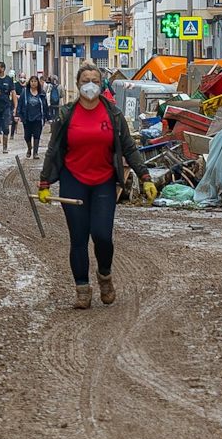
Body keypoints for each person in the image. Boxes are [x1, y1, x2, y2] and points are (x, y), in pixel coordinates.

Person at [37, 62, 155, 310]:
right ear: (78, 85)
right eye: (84, 80)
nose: (89, 84)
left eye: (94, 80)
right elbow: (54, 149)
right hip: (73, 181)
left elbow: (130, 148)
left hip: (103, 182)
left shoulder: (113, 114)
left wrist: (145, 177)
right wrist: (45, 181)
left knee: (102, 236)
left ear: (101, 84)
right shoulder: (67, 114)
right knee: (78, 238)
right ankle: (82, 289)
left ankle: (105, 276)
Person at [17, 74, 50, 159]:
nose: (33, 83)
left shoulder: (41, 93)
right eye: (32, 81)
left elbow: (45, 105)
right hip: (27, 117)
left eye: (35, 81)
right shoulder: (25, 92)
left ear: (38, 83)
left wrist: (47, 117)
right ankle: (29, 148)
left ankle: (35, 152)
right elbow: (20, 104)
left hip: (38, 118)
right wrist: (18, 114)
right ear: (29, 82)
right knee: (27, 136)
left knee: (37, 135)